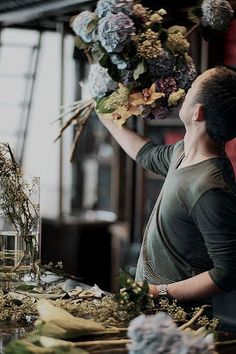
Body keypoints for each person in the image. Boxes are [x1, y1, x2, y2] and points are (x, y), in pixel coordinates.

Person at [97, 66, 236, 323]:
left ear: (198, 112)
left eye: (193, 88)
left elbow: (228, 272)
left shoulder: (210, 187)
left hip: (180, 322)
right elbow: (147, 154)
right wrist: (108, 120)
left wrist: (159, 292)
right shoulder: (182, 153)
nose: (186, 90)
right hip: (150, 313)